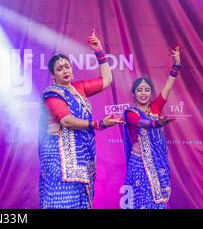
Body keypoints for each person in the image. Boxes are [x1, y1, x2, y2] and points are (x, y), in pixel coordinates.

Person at [39, 29, 124, 209]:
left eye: (67, 67)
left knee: (80, 201)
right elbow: (66, 120)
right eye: (59, 69)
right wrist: (99, 124)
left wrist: (98, 50)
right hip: (59, 158)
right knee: (59, 201)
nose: (65, 71)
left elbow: (107, 79)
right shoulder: (52, 93)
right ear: (53, 76)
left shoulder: (80, 88)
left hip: (82, 155)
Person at [122, 45, 181, 209]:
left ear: (150, 93)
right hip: (139, 163)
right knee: (141, 200)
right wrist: (156, 123)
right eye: (139, 90)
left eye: (147, 90)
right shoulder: (130, 112)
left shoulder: (155, 107)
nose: (143, 92)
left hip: (156, 162)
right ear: (133, 94)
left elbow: (168, 88)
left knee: (156, 202)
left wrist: (176, 65)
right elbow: (141, 123)